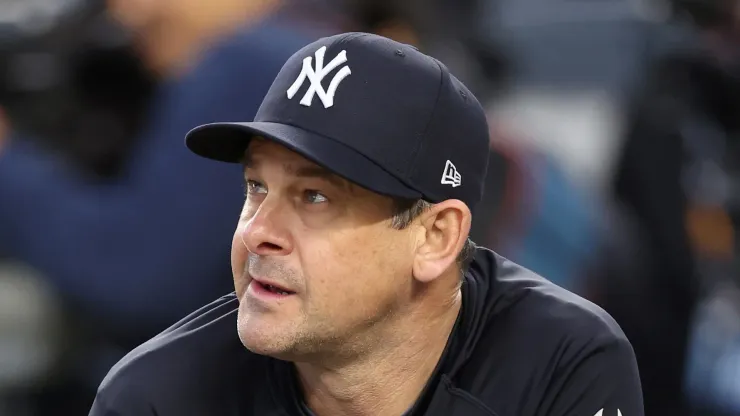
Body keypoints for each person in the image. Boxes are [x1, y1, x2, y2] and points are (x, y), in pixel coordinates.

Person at [89, 32, 644, 416]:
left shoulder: (558, 364)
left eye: (314, 196)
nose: (257, 232)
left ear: (436, 237)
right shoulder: (156, 399)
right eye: (256, 187)